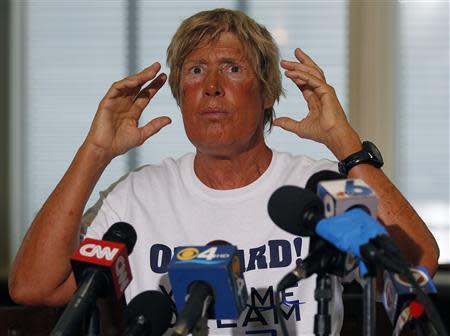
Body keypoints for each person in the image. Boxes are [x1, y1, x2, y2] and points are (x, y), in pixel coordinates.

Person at [9, 8, 439, 335]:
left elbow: (419, 262)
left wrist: (344, 141)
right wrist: (95, 151)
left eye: (232, 68)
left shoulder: (317, 188)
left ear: (269, 91)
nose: (212, 86)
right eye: (196, 70)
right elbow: (34, 287)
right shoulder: (134, 198)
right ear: (179, 95)